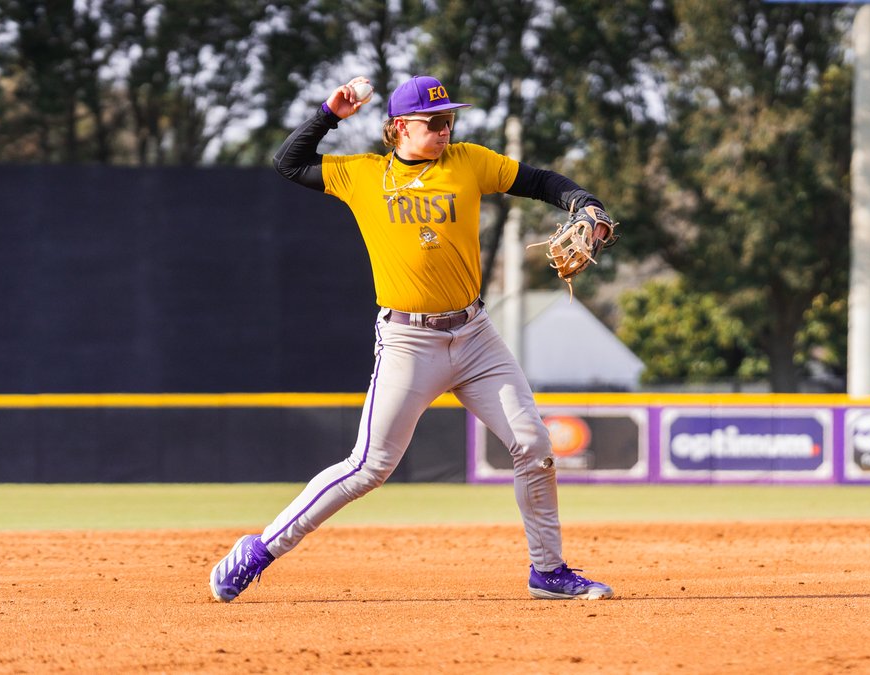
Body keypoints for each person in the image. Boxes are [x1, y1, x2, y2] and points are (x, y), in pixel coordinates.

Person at [209, 75, 614, 602]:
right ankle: (258, 551)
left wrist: (583, 203)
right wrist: (330, 114)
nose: (446, 130)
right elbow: (288, 162)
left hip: (475, 337)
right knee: (369, 467)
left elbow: (539, 181)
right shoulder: (363, 175)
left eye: (450, 120)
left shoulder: (468, 162)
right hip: (408, 342)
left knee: (534, 445)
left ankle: (549, 572)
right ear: (399, 127)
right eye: (435, 121)